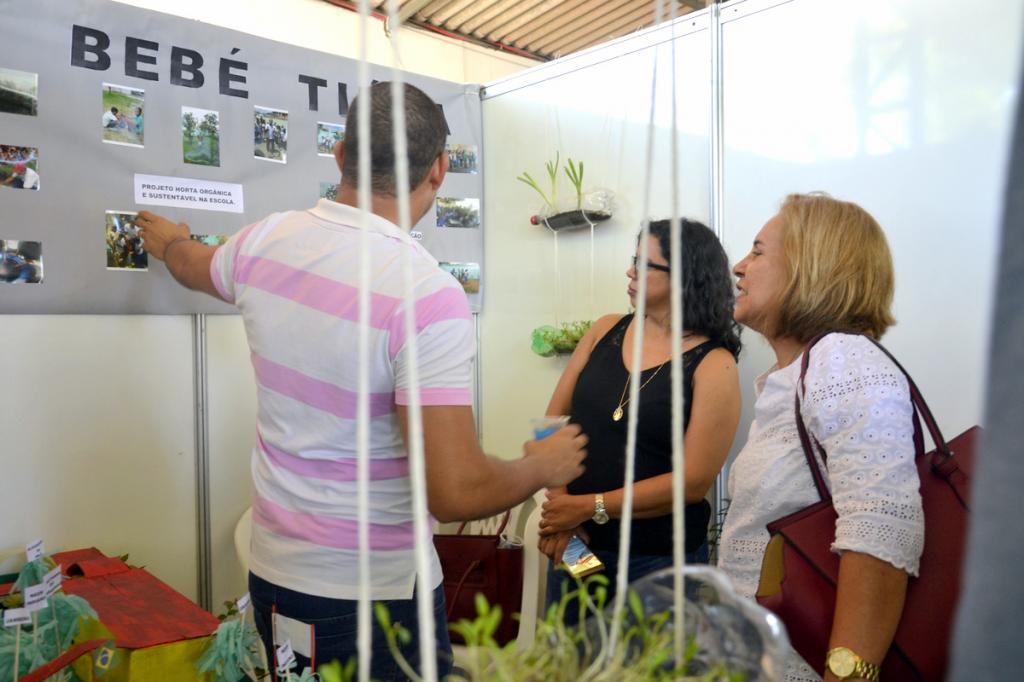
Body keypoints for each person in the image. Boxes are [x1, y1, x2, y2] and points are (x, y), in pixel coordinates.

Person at [135, 82, 588, 680]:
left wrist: (171, 241)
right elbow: (454, 492)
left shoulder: (265, 241)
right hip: (373, 598)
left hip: (274, 577)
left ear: (342, 154)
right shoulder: (426, 295)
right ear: (439, 169)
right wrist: (542, 466)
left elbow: (191, 264)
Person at [717, 193, 924, 682]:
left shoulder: (843, 358)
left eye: (758, 251)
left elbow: (881, 527)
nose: (739, 267)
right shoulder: (794, 376)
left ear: (812, 266)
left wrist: (849, 674)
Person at [538, 218, 742, 622]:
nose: (630, 272)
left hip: (658, 561)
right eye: (634, 261)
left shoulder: (714, 364)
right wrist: (562, 514)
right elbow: (550, 424)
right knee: (573, 649)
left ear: (685, 277)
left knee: (645, 656)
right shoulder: (604, 330)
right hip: (578, 545)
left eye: (645, 265)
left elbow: (692, 483)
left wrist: (585, 507)